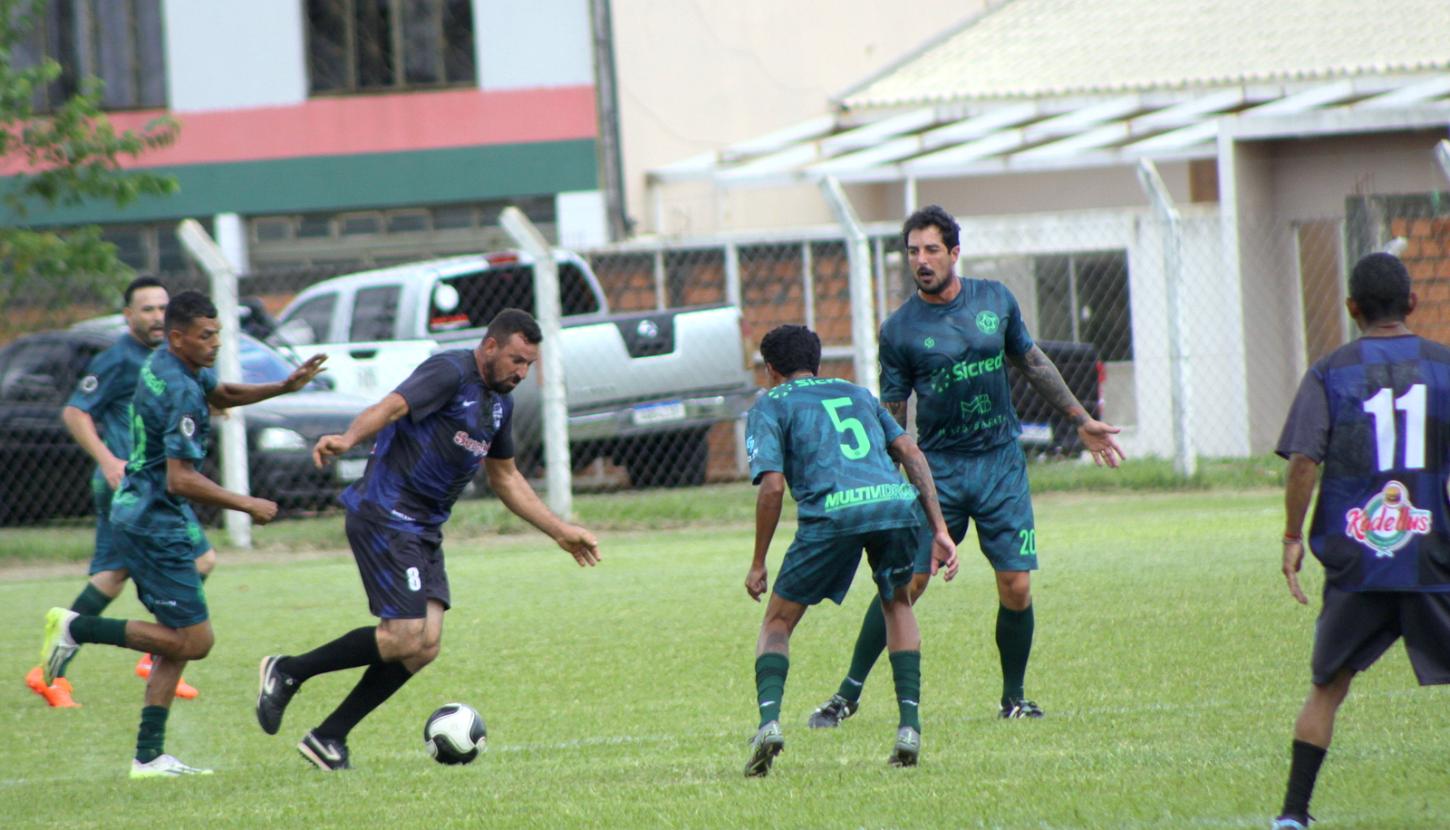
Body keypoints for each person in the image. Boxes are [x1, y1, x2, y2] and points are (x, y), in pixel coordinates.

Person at [808, 205, 1125, 728]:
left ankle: (1014, 699)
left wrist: (1080, 418)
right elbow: (894, 414)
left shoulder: (995, 300)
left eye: (932, 249)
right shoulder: (899, 330)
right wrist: (890, 481)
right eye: (913, 251)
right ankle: (847, 695)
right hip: (940, 472)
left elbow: (1032, 361)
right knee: (906, 584)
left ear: (954, 252)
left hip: (1001, 465)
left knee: (1016, 586)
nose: (921, 260)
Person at [253, 308, 601, 772]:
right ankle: (288, 670)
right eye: (516, 360)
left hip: (423, 528)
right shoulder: (449, 371)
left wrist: (561, 531)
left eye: (529, 365)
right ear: (490, 346)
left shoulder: (500, 404)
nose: (521, 373)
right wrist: (349, 437)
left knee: (424, 645)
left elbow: (506, 477)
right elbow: (393, 406)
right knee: (402, 636)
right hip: (387, 512)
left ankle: (328, 736)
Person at [38, 290, 327, 777]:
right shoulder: (180, 390)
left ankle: (148, 756)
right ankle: (77, 627)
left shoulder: (167, 361)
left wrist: (283, 386)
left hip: (143, 511)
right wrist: (247, 503)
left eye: (217, 334)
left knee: (176, 638)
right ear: (178, 337)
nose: (216, 343)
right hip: (155, 520)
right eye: (206, 336)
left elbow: (223, 394)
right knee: (195, 641)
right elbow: (180, 479)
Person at [1270, 253, 1450, 829]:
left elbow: (1304, 461)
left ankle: (1294, 814)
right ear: (1412, 303)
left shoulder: (1330, 371)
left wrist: (1292, 536)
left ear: (1352, 308)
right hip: (1432, 558)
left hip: (1359, 564)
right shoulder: (1443, 368)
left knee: (1326, 688)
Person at [742, 324, 959, 776]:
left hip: (832, 514)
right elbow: (911, 453)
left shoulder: (770, 404)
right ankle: (909, 728)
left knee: (778, 622)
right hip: (894, 505)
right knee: (897, 604)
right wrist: (939, 528)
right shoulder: (858, 393)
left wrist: (759, 561)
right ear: (816, 362)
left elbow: (773, 487)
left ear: (771, 369)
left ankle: (768, 724)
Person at [25, 277, 212, 707]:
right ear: (128, 316)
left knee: (111, 577)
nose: (157, 317)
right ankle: (159, 653)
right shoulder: (118, 358)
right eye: (147, 309)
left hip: (143, 486)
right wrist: (108, 460)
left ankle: (48, 673)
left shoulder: (169, 359)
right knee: (202, 558)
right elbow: (75, 412)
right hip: (135, 486)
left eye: (163, 308)